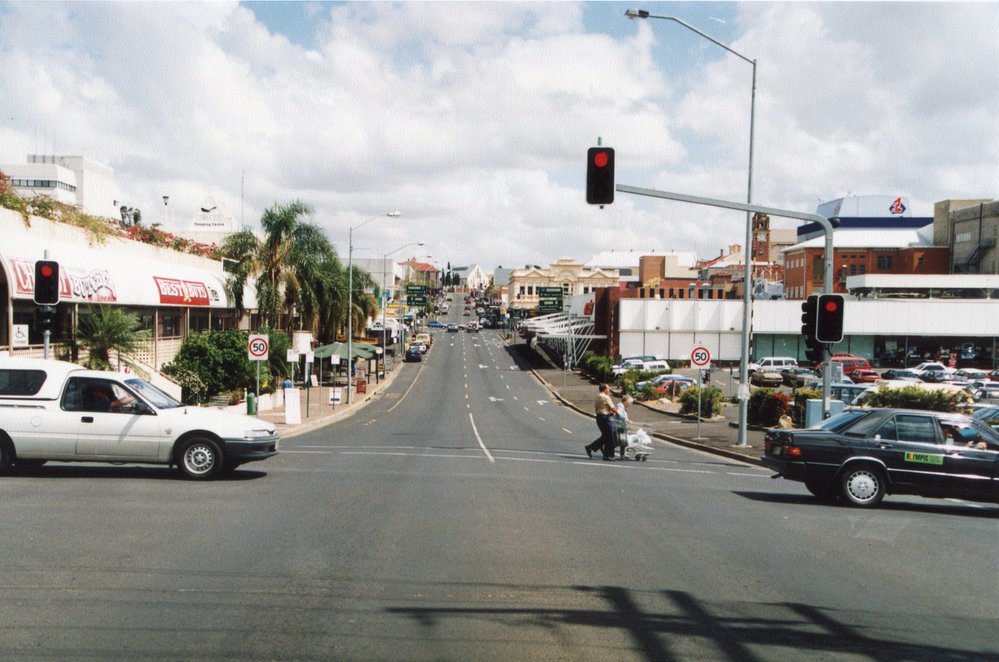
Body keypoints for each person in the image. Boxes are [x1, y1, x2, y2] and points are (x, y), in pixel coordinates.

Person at [584, 383, 618, 460]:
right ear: (605, 389)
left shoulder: (597, 396)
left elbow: (597, 408)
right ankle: (609, 455)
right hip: (605, 417)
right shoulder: (606, 397)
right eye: (608, 388)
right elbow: (612, 407)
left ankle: (591, 447)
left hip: (599, 417)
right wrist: (618, 414)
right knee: (610, 436)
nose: (609, 390)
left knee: (606, 435)